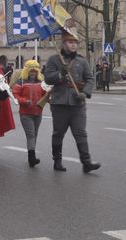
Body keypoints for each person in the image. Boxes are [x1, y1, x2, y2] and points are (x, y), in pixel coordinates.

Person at [44, 25, 101, 173]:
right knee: (58, 133)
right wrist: (60, 74)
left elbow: (90, 79)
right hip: (60, 103)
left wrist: (85, 93)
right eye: (70, 42)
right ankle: (57, 160)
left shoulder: (82, 61)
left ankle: (86, 162)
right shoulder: (54, 60)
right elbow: (48, 78)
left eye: (75, 42)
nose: (74, 45)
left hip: (77, 103)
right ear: (63, 43)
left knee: (80, 133)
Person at [12, 59, 46, 167]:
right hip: (25, 113)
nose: (33, 73)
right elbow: (15, 94)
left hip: (38, 112)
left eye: (35, 71)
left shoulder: (41, 82)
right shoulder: (21, 81)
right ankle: (32, 158)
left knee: (34, 135)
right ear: (27, 71)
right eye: (31, 71)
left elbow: (46, 94)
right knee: (31, 135)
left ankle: (31, 155)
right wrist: (24, 101)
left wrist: (50, 97)